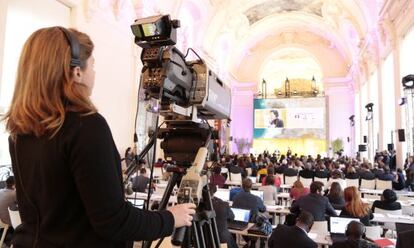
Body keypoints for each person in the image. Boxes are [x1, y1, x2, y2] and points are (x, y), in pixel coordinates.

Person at [4, 27, 195, 247]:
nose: (94, 73)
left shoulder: (20, 131)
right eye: (92, 65)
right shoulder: (86, 125)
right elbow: (114, 221)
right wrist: (171, 218)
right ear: (77, 72)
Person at [209, 184, 237, 248]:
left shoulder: (198, 207)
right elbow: (232, 217)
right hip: (222, 241)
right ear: (214, 191)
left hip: (205, 240)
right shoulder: (223, 205)